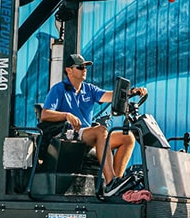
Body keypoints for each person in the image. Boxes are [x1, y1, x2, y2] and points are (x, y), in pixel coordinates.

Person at [40, 53, 147, 196]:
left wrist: (132, 92)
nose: (84, 69)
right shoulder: (58, 89)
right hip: (68, 134)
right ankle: (110, 183)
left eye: (85, 67)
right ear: (69, 70)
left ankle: (117, 184)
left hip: (86, 134)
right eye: (80, 67)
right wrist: (66, 115)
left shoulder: (89, 89)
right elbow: (45, 114)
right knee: (101, 131)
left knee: (127, 138)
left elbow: (110, 96)